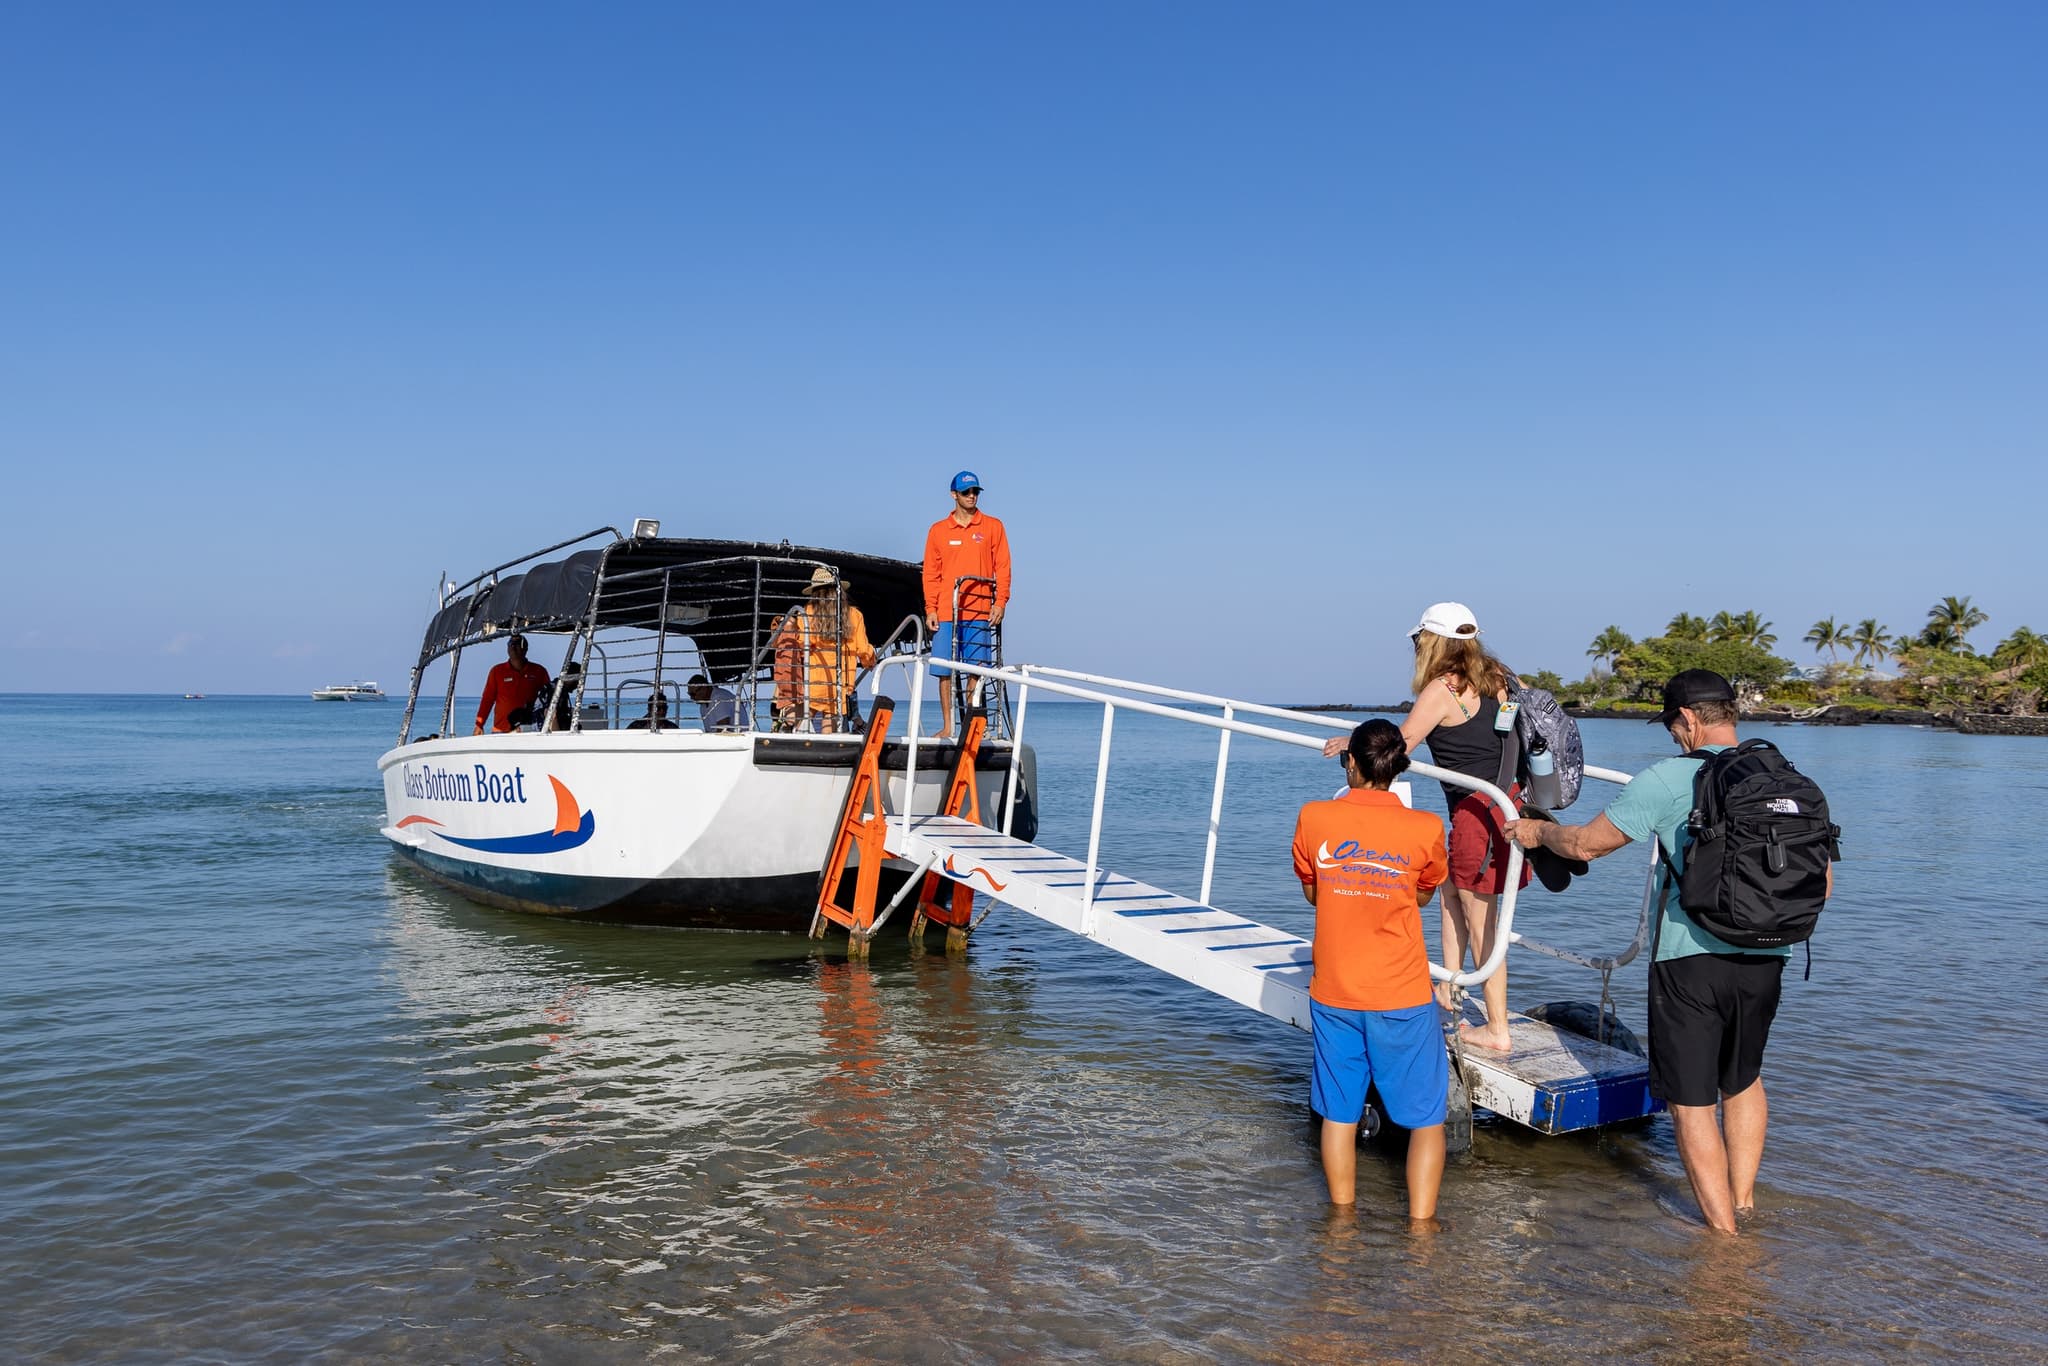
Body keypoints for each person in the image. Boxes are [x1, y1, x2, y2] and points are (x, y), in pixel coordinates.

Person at [1505, 670, 1832, 1235]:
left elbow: (1586, 845)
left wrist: (1536, 835)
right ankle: (1744, 1202)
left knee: (1690, 1099)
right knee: (1744, 1079)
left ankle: (1723, 1237)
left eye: (1671, 726)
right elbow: (1821, 884)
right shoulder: (1786, 776)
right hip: (1772, 953)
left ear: (1685, 720)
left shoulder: (1668, 778)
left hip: (1691, 956)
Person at [1324, 602, 1527, 1053]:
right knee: (1451, 894)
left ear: (1430, 642)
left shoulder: (1443, 689)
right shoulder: (1502, 677)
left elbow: (1401, 747)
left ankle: (1497, 1030)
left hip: (1479, 815)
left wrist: (1354, 746)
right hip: (1507, 806)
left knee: (1482, 925)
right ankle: (1447, 992)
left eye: (1418, 640)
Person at [1293, 719, 1451, 1222]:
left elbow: (1313, 892)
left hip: (1335, 990)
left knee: (1338, 1114)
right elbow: (1424, 894)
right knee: (1426, 1121)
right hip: (1401, 992)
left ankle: (1341, 1227)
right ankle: (1421, 1233)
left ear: (1352, 763)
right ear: (1397, 767)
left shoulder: (1315, 817)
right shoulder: (1425, 827)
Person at [922, 470, 1011, 738]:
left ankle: (972, 723)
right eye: (966, 492)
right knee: (943, 670)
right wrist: (930, 608)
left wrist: (1001, 601)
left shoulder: (993, 526)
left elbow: (1003, 567)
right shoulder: (938, 530)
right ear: (954, 495)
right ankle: (949, 725)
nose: (972, 496)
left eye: (975, 492)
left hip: (979, 610)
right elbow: (930, 573)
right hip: (946, 611)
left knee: (976, 668)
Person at [773, 568, 877, 733]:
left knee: (804, 723)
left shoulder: (807, 613)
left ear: (815, 592)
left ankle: (795, 742)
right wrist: (870, 660)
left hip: (813, 680)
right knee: (830, 726)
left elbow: (799, 644)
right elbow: (863, 649)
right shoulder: (854, 615)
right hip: (839, 682)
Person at [473, 634, 551, 735]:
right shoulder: (497, 671)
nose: (513, 646)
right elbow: (487, 699)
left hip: (530, 729)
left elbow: (548, 698)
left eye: (517, 644)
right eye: (510, 644)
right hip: (501, 730)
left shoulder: (539, 671)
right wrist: (479, 725)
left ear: (525, 649)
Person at [546, 661, 584, 733]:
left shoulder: (559, 690)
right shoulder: (555, 691)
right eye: (577, 681)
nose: (577, 685)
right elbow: (550, 715)